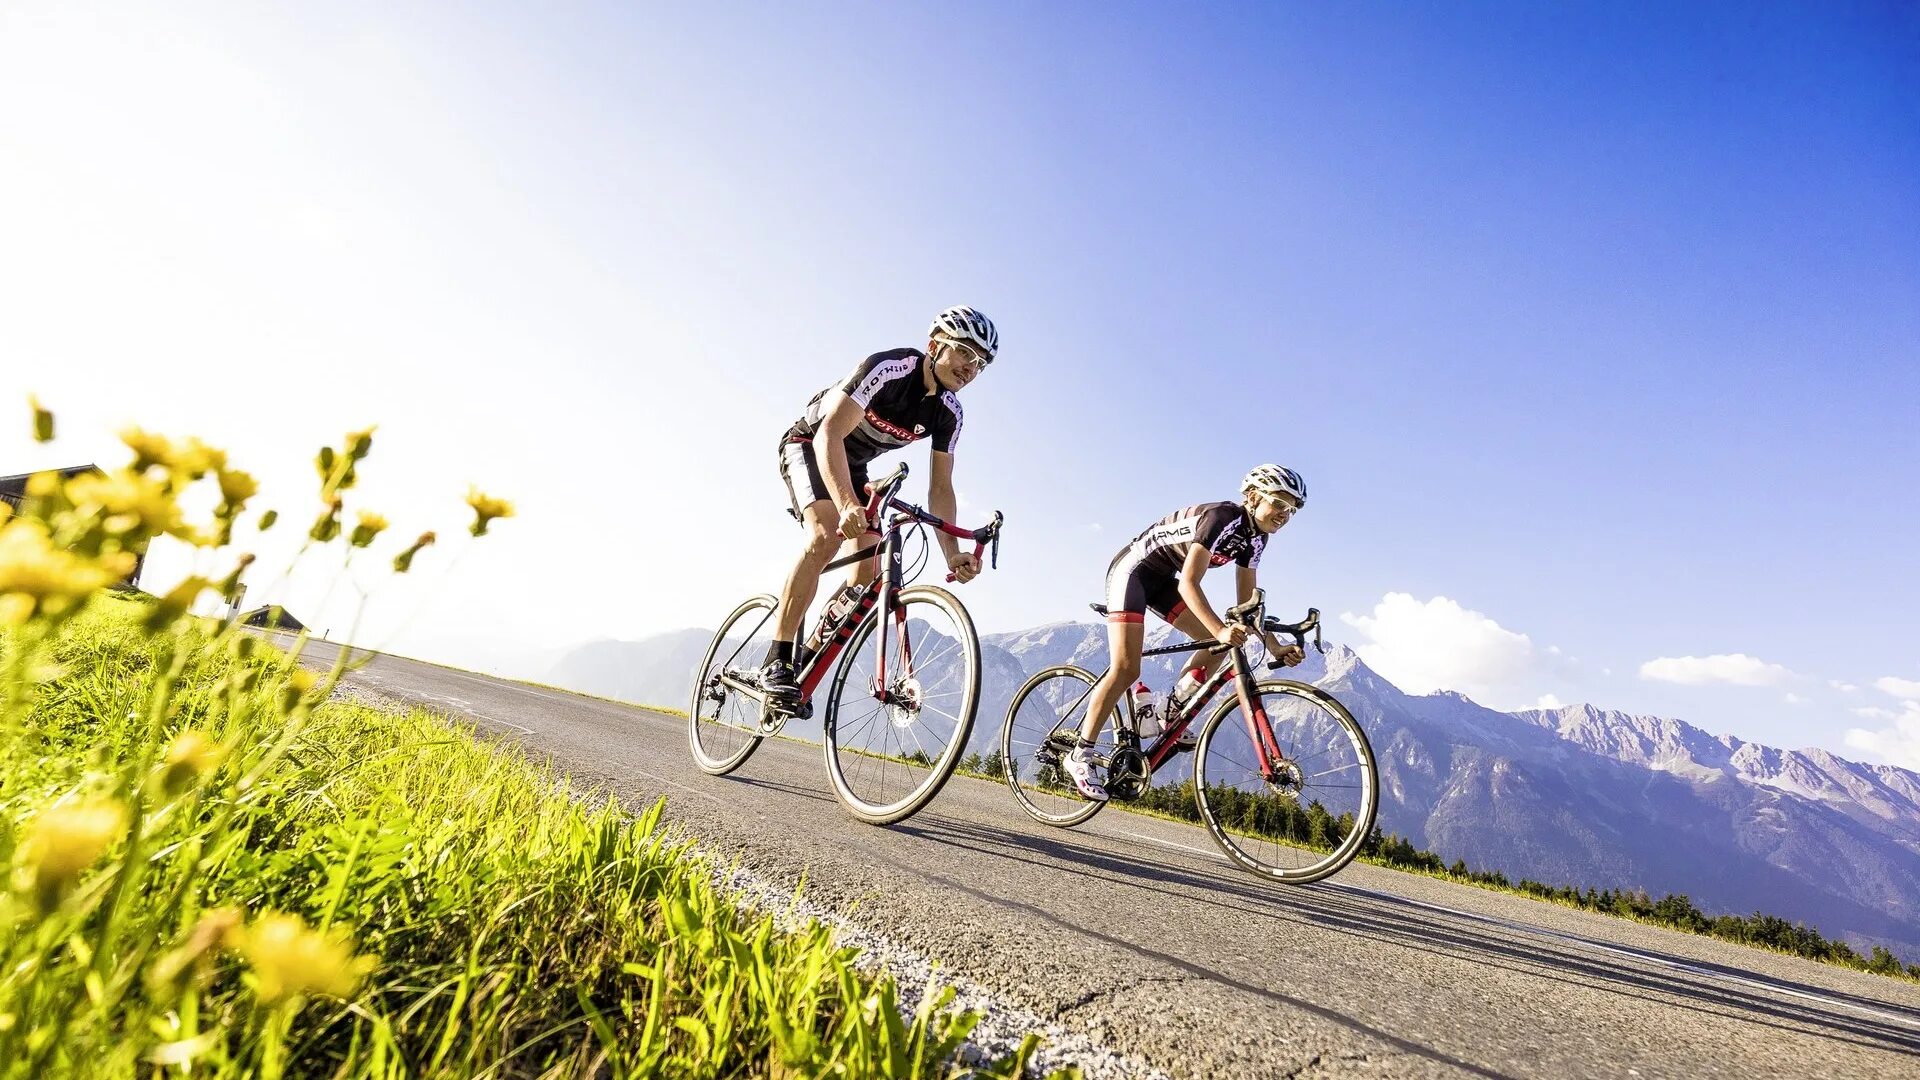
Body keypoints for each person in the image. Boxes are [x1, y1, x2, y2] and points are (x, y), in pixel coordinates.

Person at [756, 306, 998, 704]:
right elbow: (829, 434)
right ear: (935, 346)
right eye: (964, 352)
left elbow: (941, 488)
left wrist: (952, 553)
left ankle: (808, 656)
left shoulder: (949, 414)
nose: (971, 367)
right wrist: (849, 504)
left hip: (855, 466)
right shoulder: (888, 368)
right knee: (824, 535)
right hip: (810, 445)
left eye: (981, 363)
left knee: (867, 573)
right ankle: (777, 658)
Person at [1061, 465, 1308, 801]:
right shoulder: (1222, 518)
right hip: (1133, 572)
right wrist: (1221, 629)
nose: (1284, 514)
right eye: (1279, 503)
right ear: (1252, 496)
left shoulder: (1256, 539)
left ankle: (1170, 710)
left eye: (1292, 509)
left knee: (1219, 646)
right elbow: (1191, 583)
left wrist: (1275, 646)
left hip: (1165, 582)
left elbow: (1246, 606)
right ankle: (1080, 754)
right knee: (1126, 668)